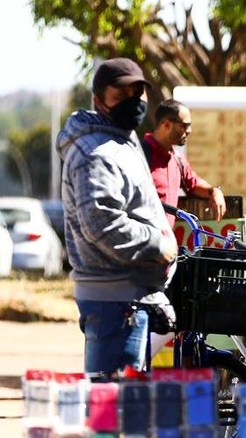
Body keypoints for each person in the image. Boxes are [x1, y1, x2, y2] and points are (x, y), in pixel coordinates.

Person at [56, 57, 178, 377]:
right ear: (99, 101)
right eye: (120, 94)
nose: (133, 101)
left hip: (129, 296)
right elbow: (100, 221)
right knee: (110, 412)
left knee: (123, 410)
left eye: (139, 93)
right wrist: (157, 243)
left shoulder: (122, 139)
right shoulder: (95, 152)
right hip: (115, 301)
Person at [143, 99, 227, 227]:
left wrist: (214, 191)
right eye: (184, 125)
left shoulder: (176, 158)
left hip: (165, 243)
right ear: (166, 125)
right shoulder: (140, 155)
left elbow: (193, 184)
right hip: (140, 241)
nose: (189, 130)